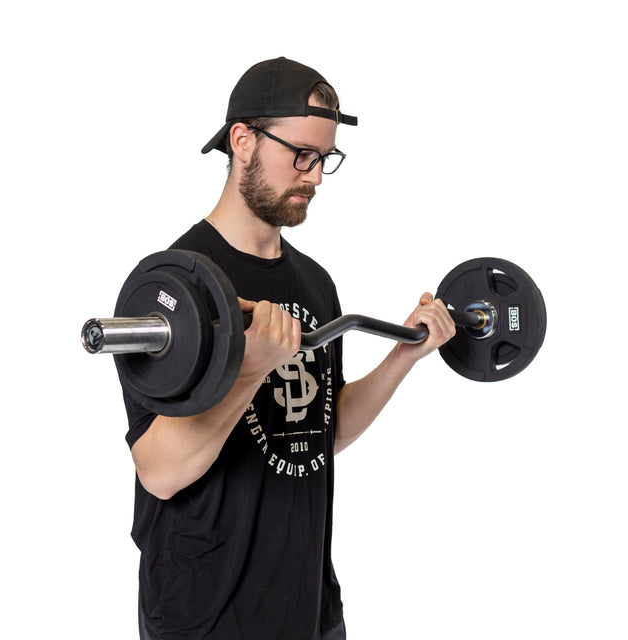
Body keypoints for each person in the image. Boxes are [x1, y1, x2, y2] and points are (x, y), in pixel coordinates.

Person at [123, 57, 456, 640]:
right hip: (205, 617)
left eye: (324, 158)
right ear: (243, 141)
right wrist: (250, 369)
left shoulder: (314, 283)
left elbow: (322, 431)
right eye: (300, 154)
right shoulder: (178, 285)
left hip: (309, 610)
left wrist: (403, 357)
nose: (315, 175)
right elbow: (160, 471)